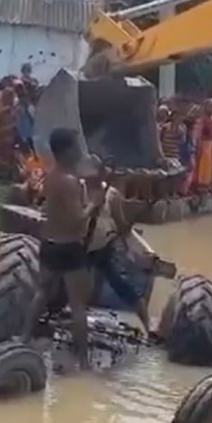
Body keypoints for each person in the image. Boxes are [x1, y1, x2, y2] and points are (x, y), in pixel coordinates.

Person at [22, 128, 103, 371]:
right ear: (66, 150)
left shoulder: (52, 177)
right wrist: (93, 205)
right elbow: (77, 220)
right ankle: (84, 362)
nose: (80, 151)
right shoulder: (69, 183)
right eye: (76, 146)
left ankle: (23, 338)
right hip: (70, 248)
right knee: (78, 307)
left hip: (50, 245)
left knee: (42, 293)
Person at [81, 156, 154, 336]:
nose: (93, 177)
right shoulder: (77, 188)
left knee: (123, 286)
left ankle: (148, 326)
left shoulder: (111, 195)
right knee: (76, 288)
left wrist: (133, 249)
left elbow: (121, 227)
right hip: (79, 248)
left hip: (102, 249)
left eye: (96, 173)